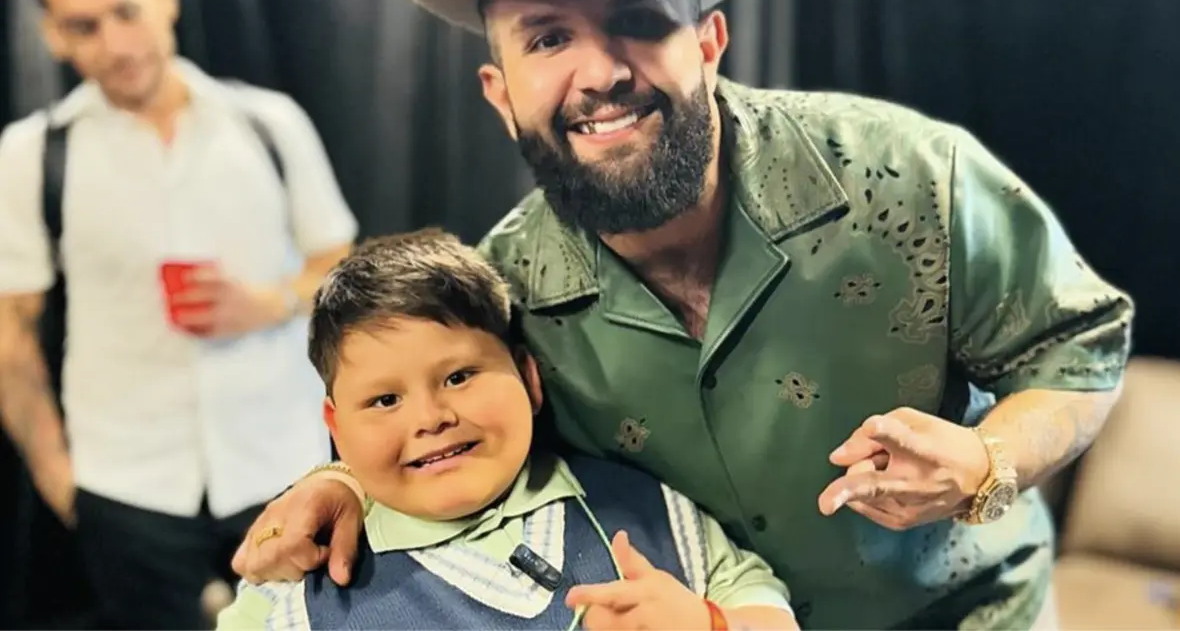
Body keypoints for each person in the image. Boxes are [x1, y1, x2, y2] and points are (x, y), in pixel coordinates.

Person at [231, 0, 1135, 627]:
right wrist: (343, 484)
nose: (601, 72)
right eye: (548, 37)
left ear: (709, 40)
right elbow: (453, 427)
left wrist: (987, 462)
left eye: (640, 17)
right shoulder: (502, 288)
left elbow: (1078, 352)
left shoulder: (911, 176)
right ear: (500, 93)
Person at [0, 0, 359, 630]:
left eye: (126, 12)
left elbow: (338, 266)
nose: (115, 44)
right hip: (124, 481)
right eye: (84, 26)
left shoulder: (268, 125)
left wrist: (273, 302)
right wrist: (61, 482)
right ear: (52, 36)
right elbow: (12, 329)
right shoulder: (30, 154)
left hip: (281, 464)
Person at [216, 229, 797, 630]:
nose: (430, 418)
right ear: (336, 429)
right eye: (385, 399)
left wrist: (710, 623)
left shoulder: (650, 514)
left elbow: (761, 601)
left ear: (529, 377)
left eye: (460, 376)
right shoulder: (298, 594)